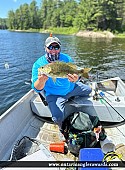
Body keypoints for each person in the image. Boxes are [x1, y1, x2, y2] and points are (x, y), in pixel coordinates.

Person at [32, 34, 92, 137]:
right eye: (50, 47)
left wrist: (77, 78)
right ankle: (62, 129)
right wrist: (41, 81)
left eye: (56, 47)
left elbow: (74, 70)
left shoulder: (66, 58)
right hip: (55, 95)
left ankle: (70, 96)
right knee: (57, 118)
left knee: (89, 90)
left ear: (60, 48)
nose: (53, 50)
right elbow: (36, 88)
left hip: (71, 88)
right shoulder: (39, 64)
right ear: (45, 48)